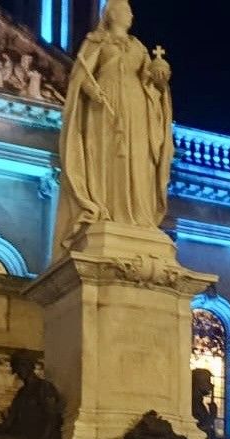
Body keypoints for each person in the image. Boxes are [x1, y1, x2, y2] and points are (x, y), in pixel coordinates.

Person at [54, 0, 173, 251]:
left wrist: (160, 76)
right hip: (104, 108)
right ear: (112, 14)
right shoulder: (97, 42)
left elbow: (150, 82)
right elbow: (81, 77)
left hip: (136, 109)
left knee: (137, 160)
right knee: (108, 159)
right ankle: (106, 208)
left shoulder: (138, 46)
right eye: (126, 10)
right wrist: (92, 92)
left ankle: (137, 216)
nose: (131, 14)